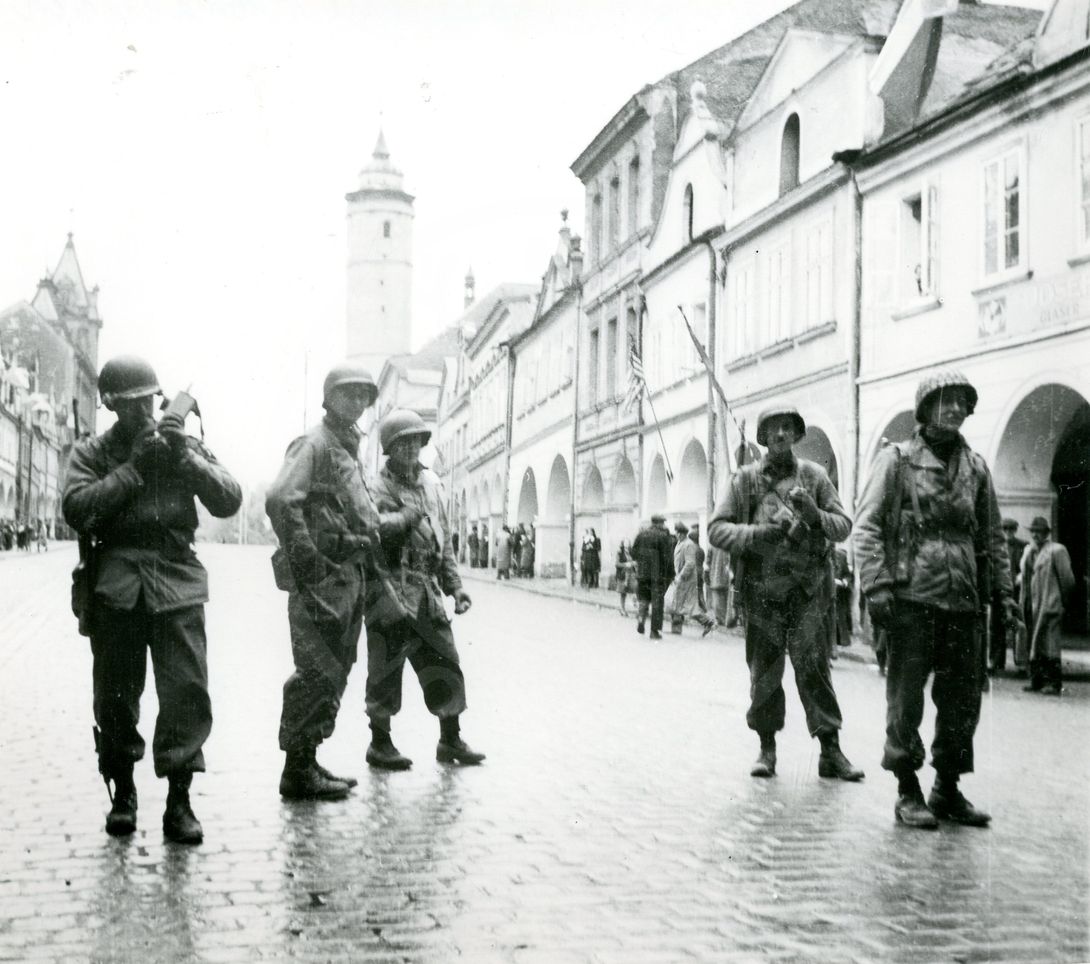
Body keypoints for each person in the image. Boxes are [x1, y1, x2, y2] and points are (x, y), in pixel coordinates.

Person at [62, 355, 241, 844]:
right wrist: (134, 469)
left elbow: (229, 498)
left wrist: (185, 456)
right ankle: (123, 792)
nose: (143, 410)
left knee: (185, 692)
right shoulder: (93, 452)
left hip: (177, 579)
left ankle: (179, 801)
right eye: (131, 403)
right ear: (112, 406)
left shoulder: (179, 442)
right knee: (116, 696)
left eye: (149, 400)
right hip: (117, 582)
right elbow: (77, 507)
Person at [854, 370, 1019, 829]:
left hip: (964, 601)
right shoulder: (898, 461)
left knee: (963, 701)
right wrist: (877, 585)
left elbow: (992, 538)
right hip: (911, 599)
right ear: (925, 410)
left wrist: (1004, 594)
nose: (954, 410)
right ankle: (908, 790)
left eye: (961, 403)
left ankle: (947, 789)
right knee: (906, 700)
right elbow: (865, 528)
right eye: (944, 402)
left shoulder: (977, 467)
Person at [709, 406, 862, 783]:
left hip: (808, 591)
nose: (780, 435)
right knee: (764, 673)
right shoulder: (743, 481)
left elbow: (843, 526)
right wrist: (757, 535)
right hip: (761, 593)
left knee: (815, 671)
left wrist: (814, 516)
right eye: (773, 429)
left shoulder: (815, 476)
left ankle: (831, 750)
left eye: (787, 428)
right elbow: (717, 530)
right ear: (763, 438)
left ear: (796, 434)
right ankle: (767, 748)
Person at [265, 362, 380, 801]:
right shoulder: (315, 443)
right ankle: (295, 770)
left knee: (334, 671)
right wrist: (309, 561)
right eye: (348, 394)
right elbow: (280, 500)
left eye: (363, 396)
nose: (356, 402)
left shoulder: (346, 446)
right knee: (315, 671)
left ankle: (307, 759)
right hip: (322, 581)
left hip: (346, 577)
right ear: (329, 398)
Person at [364, 409, 484, 769]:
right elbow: (370, 529)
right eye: (403, 442)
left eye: (416, 441)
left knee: (445, 662)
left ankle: (450, 739)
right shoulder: (374, 486)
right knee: (385, 669)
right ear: (390, 447)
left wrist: (455, 587)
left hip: (428, 592)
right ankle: (380, 744)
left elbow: (443, 540)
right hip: (390, 590)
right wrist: (403, 519)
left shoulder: (431, 486)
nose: (411, 448)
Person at [1022, 517, 1075, 695]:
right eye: (1033, 531)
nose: (1036, 535)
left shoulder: (1057, 551)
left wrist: (1062, 601)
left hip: (1050, 604)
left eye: (1040, 531)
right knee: (1036, 644)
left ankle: (1054, 682)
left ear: (1047, 533)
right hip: (1034, 605)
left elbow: (1067, 579)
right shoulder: (1030, 552)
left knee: (1051, 644)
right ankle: (1037, 680)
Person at [991, 518, 1027, 675]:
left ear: (1015, 530)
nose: (1008, 533)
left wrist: (1021, 576)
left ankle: (1021, 664)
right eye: (1005, 529)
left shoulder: (1022, 546)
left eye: (1011, 529)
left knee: (1019, 627)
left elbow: (1026, 566)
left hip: (1017, 592)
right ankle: (997, 662)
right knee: (997, 627)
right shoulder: (996, 547)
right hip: (1000, 592)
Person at [631, 514, 675, 640]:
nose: (664, 525)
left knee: (644, 598)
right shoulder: (663, 536)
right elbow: (668, 558)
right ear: (659, 523)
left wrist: (642, 561)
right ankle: (654, 631)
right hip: (658, 575)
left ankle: (641, 619)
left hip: (643, 574)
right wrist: (671, 573)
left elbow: (633, 553)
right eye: (663, 523)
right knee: (657, 603)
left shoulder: (641, 534)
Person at [670, 526, 715, 635]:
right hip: (682, 579)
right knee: (678, 604)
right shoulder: (681, 543)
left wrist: (680, 576)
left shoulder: (688, 544)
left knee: (689, 606)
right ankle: (676, 629)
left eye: (678, 533)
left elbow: (690, 563)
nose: (677, 535)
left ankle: (707, 622)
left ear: (682, 534)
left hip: (686, 580)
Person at [705, 545, 732, 627]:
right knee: (726, 599)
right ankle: (725, 619)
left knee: (717, 599)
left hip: (715, 577)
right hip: (727, 578)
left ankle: (720, 619)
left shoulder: (712, 545)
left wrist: (706, 574)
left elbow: (707, 562)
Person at [615, 541, 637, 615]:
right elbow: (617, 564)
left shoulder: (632, 553)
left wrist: (634, 563)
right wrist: (625, 564)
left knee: (635, 590)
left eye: (628, 545)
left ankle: (635, 605)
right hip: (623, 575)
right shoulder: (619, 553)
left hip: (631, 574)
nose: (627, 547)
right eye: (625, 545)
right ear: (623, 545)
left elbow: (635, 562)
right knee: (623, 593)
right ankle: (622, 609)